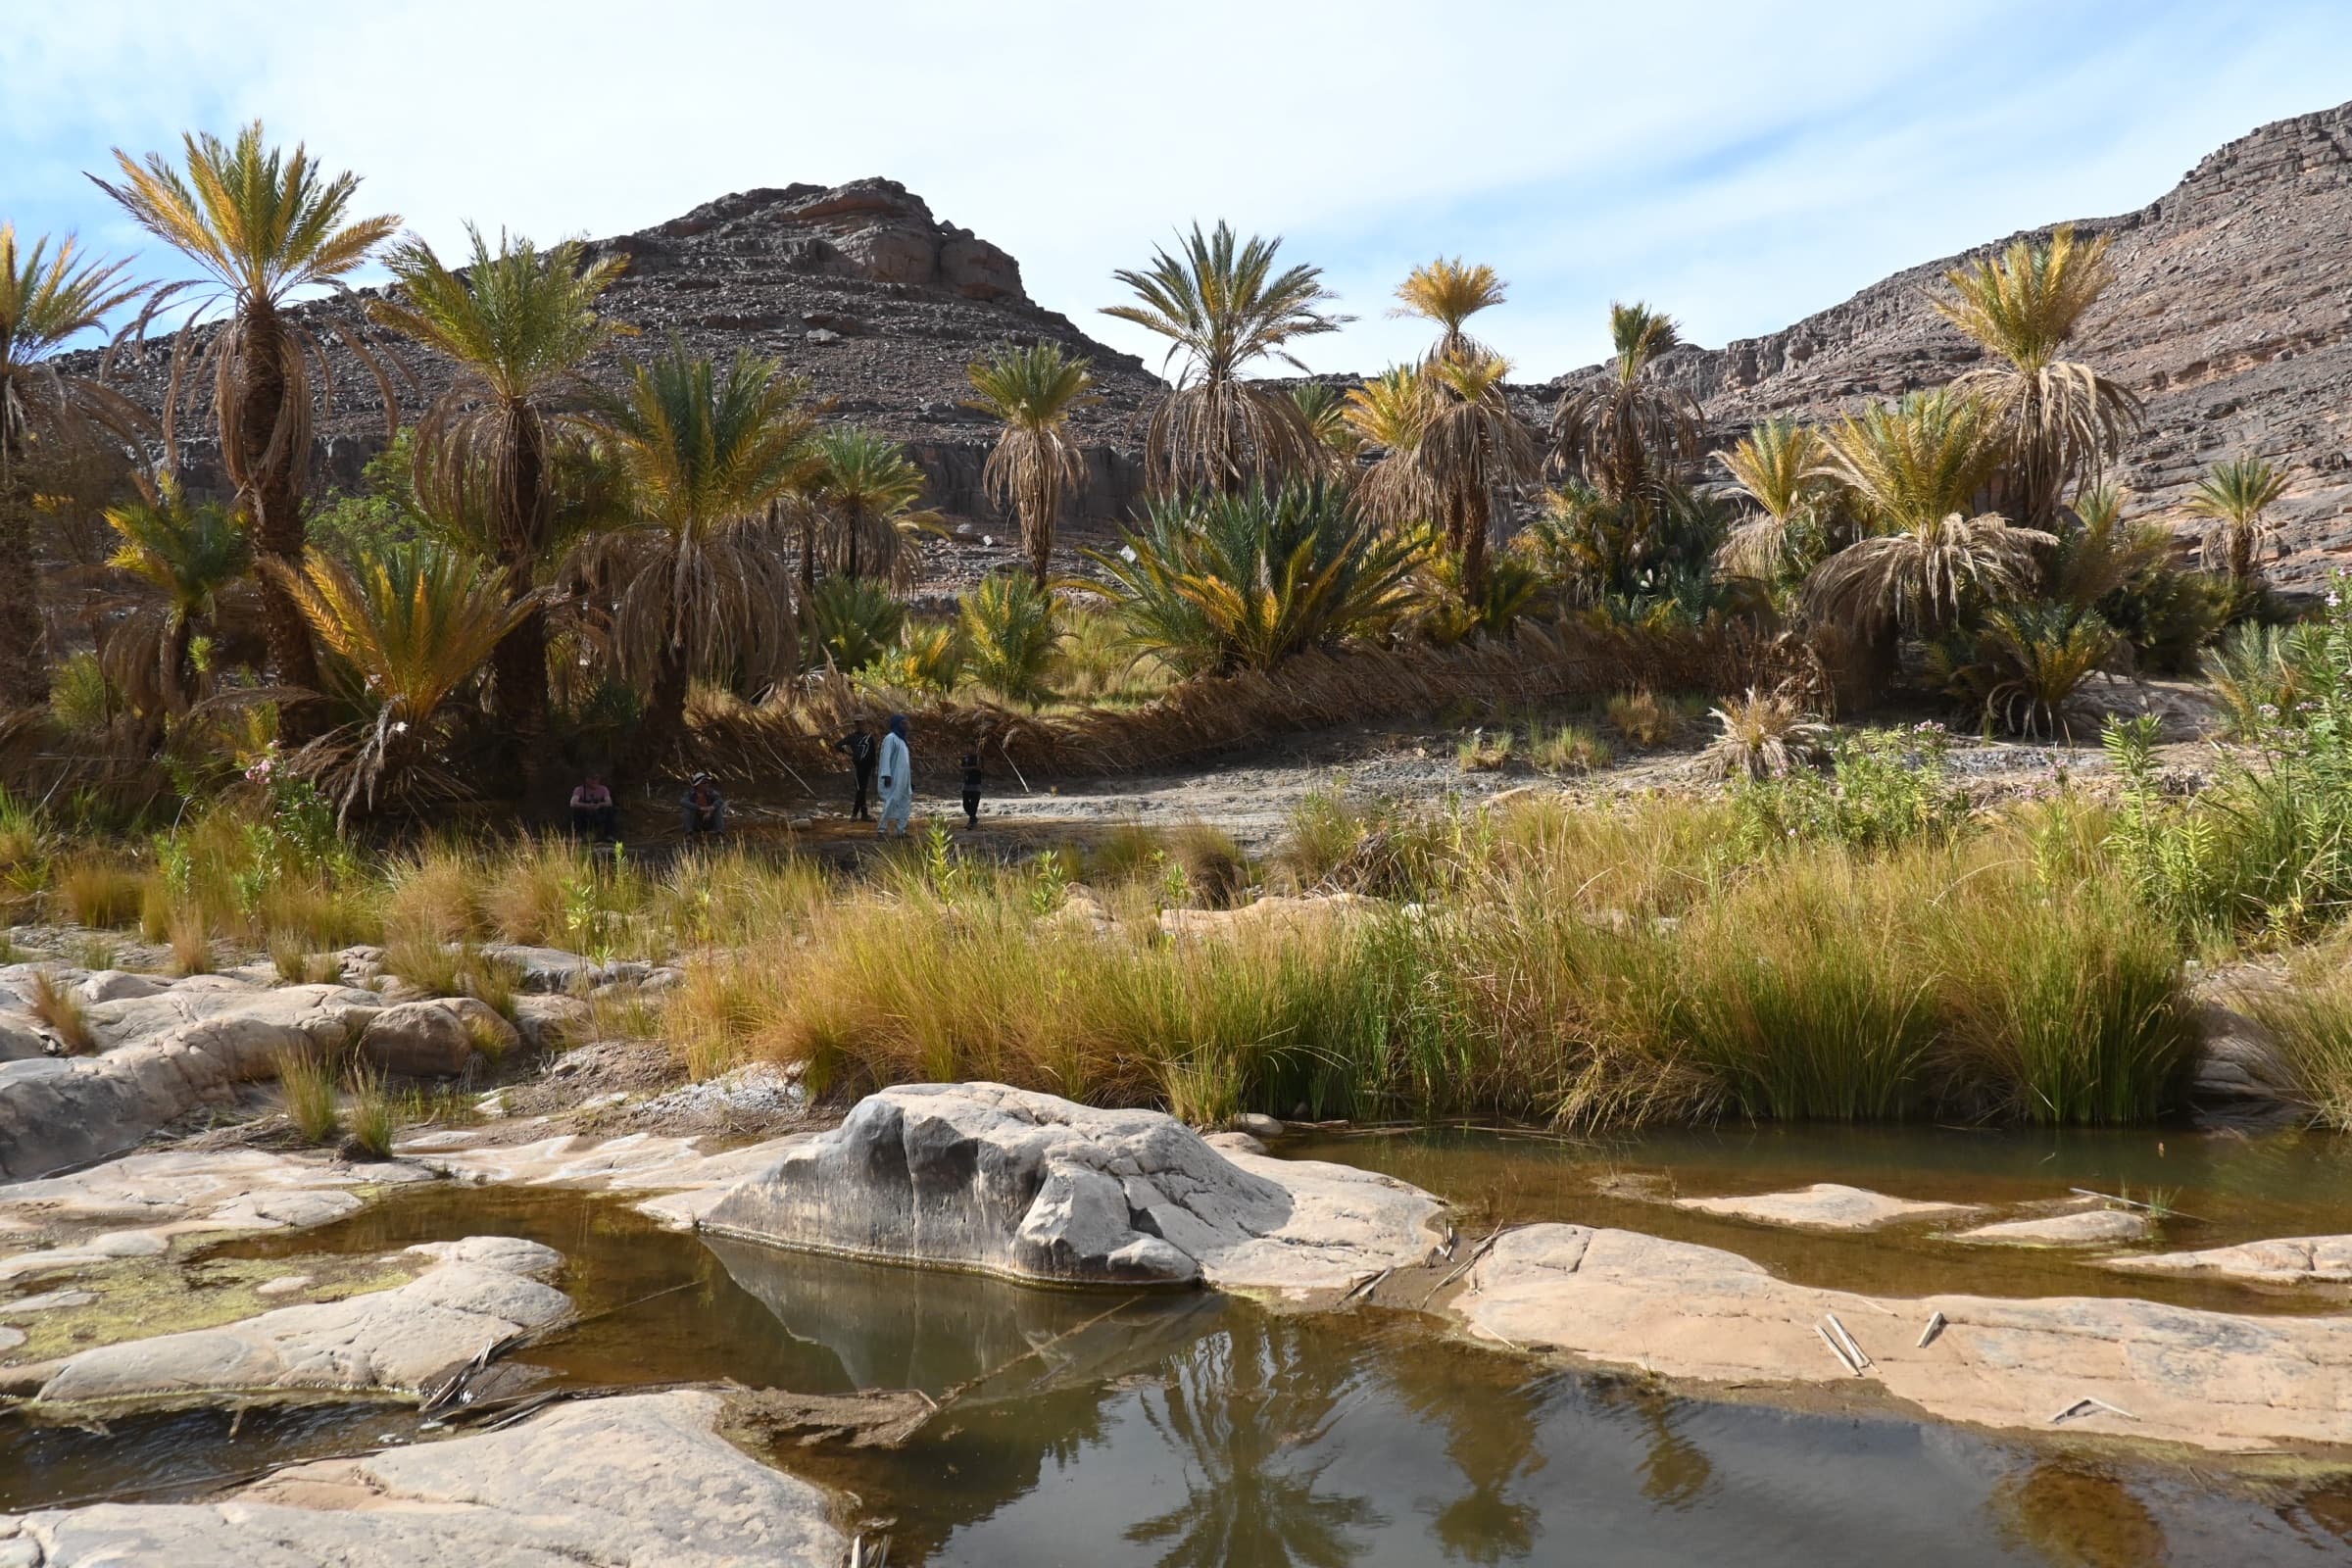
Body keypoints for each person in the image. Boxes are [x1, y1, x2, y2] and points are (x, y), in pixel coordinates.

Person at [876, 714, 913, 838]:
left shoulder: (902, 741)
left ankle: (901, 830)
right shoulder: (890, 738)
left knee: (905, 802)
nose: (906, 725)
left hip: (904, 779)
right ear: (898, 724)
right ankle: (881, 830)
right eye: (903, 723)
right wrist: (886, 775)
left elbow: (905, 763)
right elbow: (885, 757)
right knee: (891, 802)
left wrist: (909, 780)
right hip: (894, 778)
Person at [833, 720, 878, 821]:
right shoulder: (852, 737)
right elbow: (838, 745)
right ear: (856, 725)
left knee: (862, 790)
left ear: (865, 724)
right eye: (858, 724)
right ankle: (858, 814)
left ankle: (861, 815)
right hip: (858, 768)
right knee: (860, 790)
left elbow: (873, 754)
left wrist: (874, 768)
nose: (860, 725)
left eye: (862, 723)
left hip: (867, 768)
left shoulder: (869, 738)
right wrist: (848, 753)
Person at [568, 772, 617, 841]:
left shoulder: (603, 789)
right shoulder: (579, 789)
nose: (594, 781)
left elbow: (609, 802)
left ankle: (609, 835)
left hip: (598, 814)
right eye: (592, 779)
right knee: (576, 811)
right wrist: (587, 806)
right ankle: (578, 836)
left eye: (596, 779)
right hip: (585, 815)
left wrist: (599, 805)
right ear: (587, 779)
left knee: (611, 810)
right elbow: (573, 803)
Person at [680, 773, 726, 839]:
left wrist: (711, 809)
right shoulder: (690, 794)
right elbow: (683, 802)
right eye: (704, 783)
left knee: (718, 808)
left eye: (707, 782)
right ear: (697, 785)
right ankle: (689, 833)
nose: (707, 784)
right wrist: (700, 808)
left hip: (709, 821)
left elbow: (720, 800)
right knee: (688, 809)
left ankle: (719, 832)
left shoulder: (711, 792)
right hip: (696, 822)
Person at [959, 750, 984, 830]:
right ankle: (974, 819)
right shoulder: (965, 758)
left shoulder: (979, 758)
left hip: (976, 784)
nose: (969, 749)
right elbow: (962, 768)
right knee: (965, 804)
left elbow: (981, 770)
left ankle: (971, 822)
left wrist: (977, 767)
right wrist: (972, 767)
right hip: (966, 784)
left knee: (974, 805)